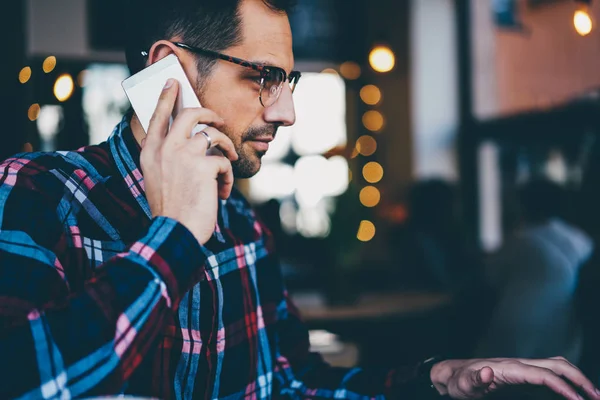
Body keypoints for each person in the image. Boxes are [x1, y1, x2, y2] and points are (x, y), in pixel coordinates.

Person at [0, 1, 598, 399]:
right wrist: (174, 237)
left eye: (289, 82)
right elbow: (24, 378)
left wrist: (433, 379)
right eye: (263, 77)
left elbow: (287, 385)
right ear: (169, 72)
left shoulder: (242, 224)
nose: (285, 112)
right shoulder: (36, 192)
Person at [475, 179, 593, 364]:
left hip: (517, 324)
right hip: (563, 325)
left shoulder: (519, 240)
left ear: (523, 205)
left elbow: (490, 277)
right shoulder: (580, 239)